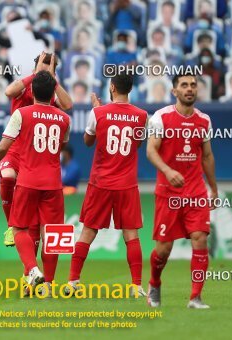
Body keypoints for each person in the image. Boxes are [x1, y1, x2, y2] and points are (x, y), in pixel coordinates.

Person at [0, 70, 71, 295]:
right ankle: (49, 285)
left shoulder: (22, 114)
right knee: (52, 235)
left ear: (31, 90)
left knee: (19, 227)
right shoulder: (65, 118)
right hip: (54, 183)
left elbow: (4, 146)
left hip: (28, 179)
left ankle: (32, 271)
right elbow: (60, 146)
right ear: (54, 91)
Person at [66, 72, 148, 297]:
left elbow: (88, 141)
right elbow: (136, 145)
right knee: (131, 235)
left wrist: (96, 111)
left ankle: (73, 281)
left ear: (112, 87)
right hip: (126, 184)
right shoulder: (142, 116)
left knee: (87, 233)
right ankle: (136, 286)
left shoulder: (98, 112)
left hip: (100, 182)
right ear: (130, 89)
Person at [146, 73, 218, 309]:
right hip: (168, 193)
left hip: (196, 192)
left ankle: (195, 297)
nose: (189, 89)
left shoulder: (204, 120)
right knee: (164, 250)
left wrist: (213, 189)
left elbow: (207, 156)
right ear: (174, 91)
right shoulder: (161, 117)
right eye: (184, 85)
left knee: (200, 240)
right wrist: (167, 171)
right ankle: (154, 283)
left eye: (193, 85)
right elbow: (151, 151)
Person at [1, 52, 72, 248]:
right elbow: (8, 91)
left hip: (39, 158)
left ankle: (34, 273)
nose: (45, 70)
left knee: (41, 228)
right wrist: (35, 75)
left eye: (50, 68)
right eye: (43, 66)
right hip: (16, 149)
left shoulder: (50, 94)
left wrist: (52, 81)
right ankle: (10, 225)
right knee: (7, 176)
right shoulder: (23, 87)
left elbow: (68, 104)